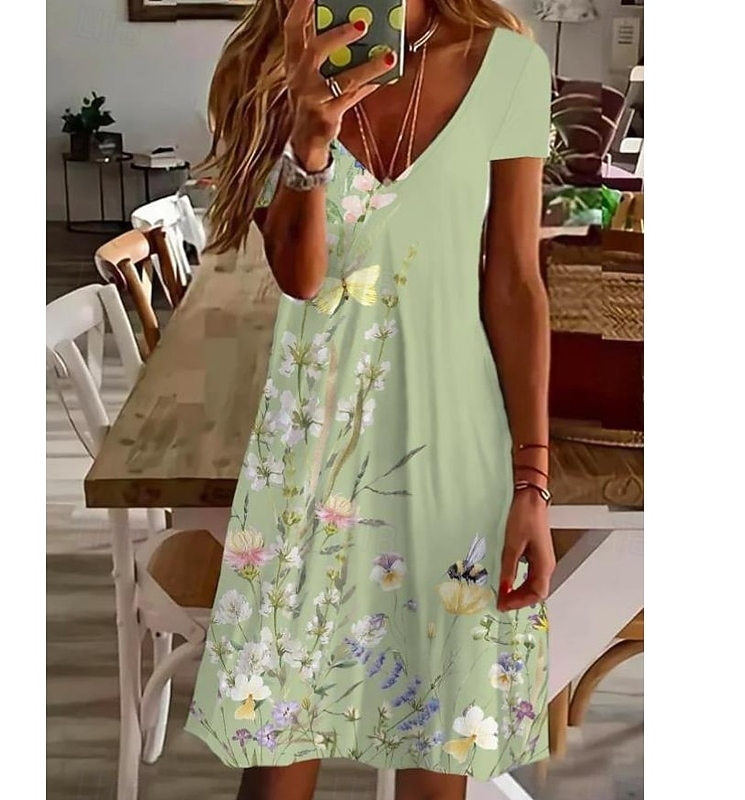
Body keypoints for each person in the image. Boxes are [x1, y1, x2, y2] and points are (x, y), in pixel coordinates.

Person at [186, 1, 556, 798]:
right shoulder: (273, 66)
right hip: (309, 448)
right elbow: (301, 278)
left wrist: (533, 481)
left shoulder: (509, 67)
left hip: (454, 442)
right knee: (276, 752)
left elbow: (515, 284)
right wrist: (309, 142)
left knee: (439, 748)